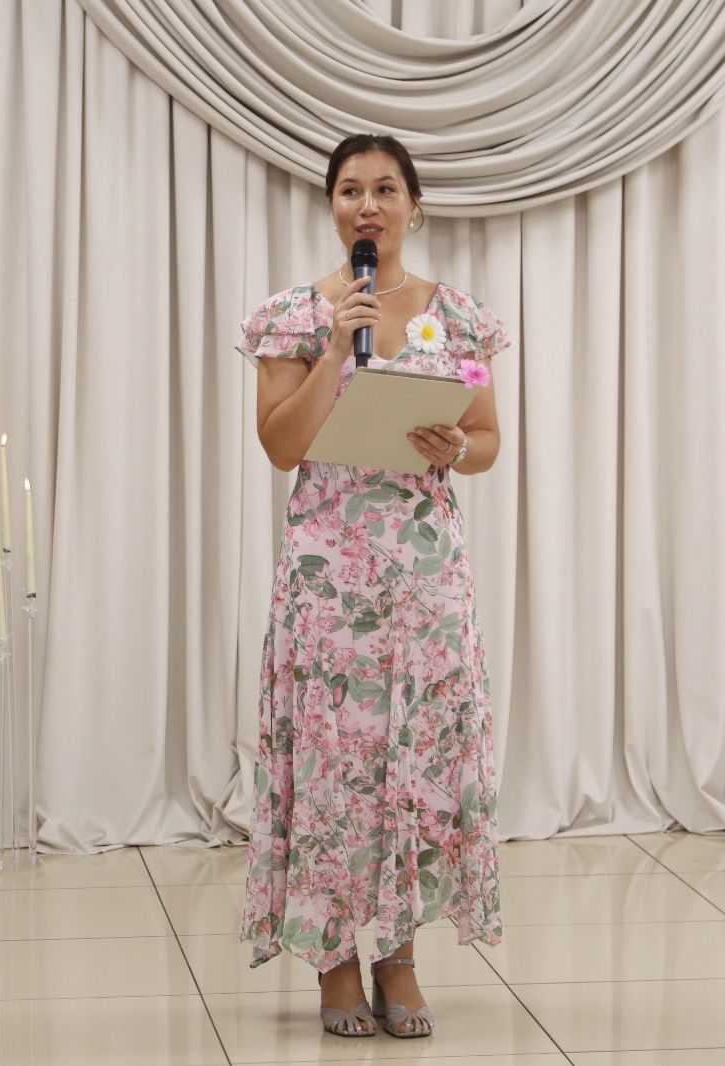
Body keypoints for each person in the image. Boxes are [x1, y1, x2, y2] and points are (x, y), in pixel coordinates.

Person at [235, 133, 509, 1039]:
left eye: (386, 189)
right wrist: (332, 351)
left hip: (426, 583)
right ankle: (333, 958)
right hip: (328, 581)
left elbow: (487, 440)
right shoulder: (291, 316)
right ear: (332, 207)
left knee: (415, 764)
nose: (368, 205)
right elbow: (281, 446)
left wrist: (455, 446)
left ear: (414, 207)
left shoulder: (460, 320)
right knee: (334, 766)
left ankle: (400, 954)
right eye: (351, 189)